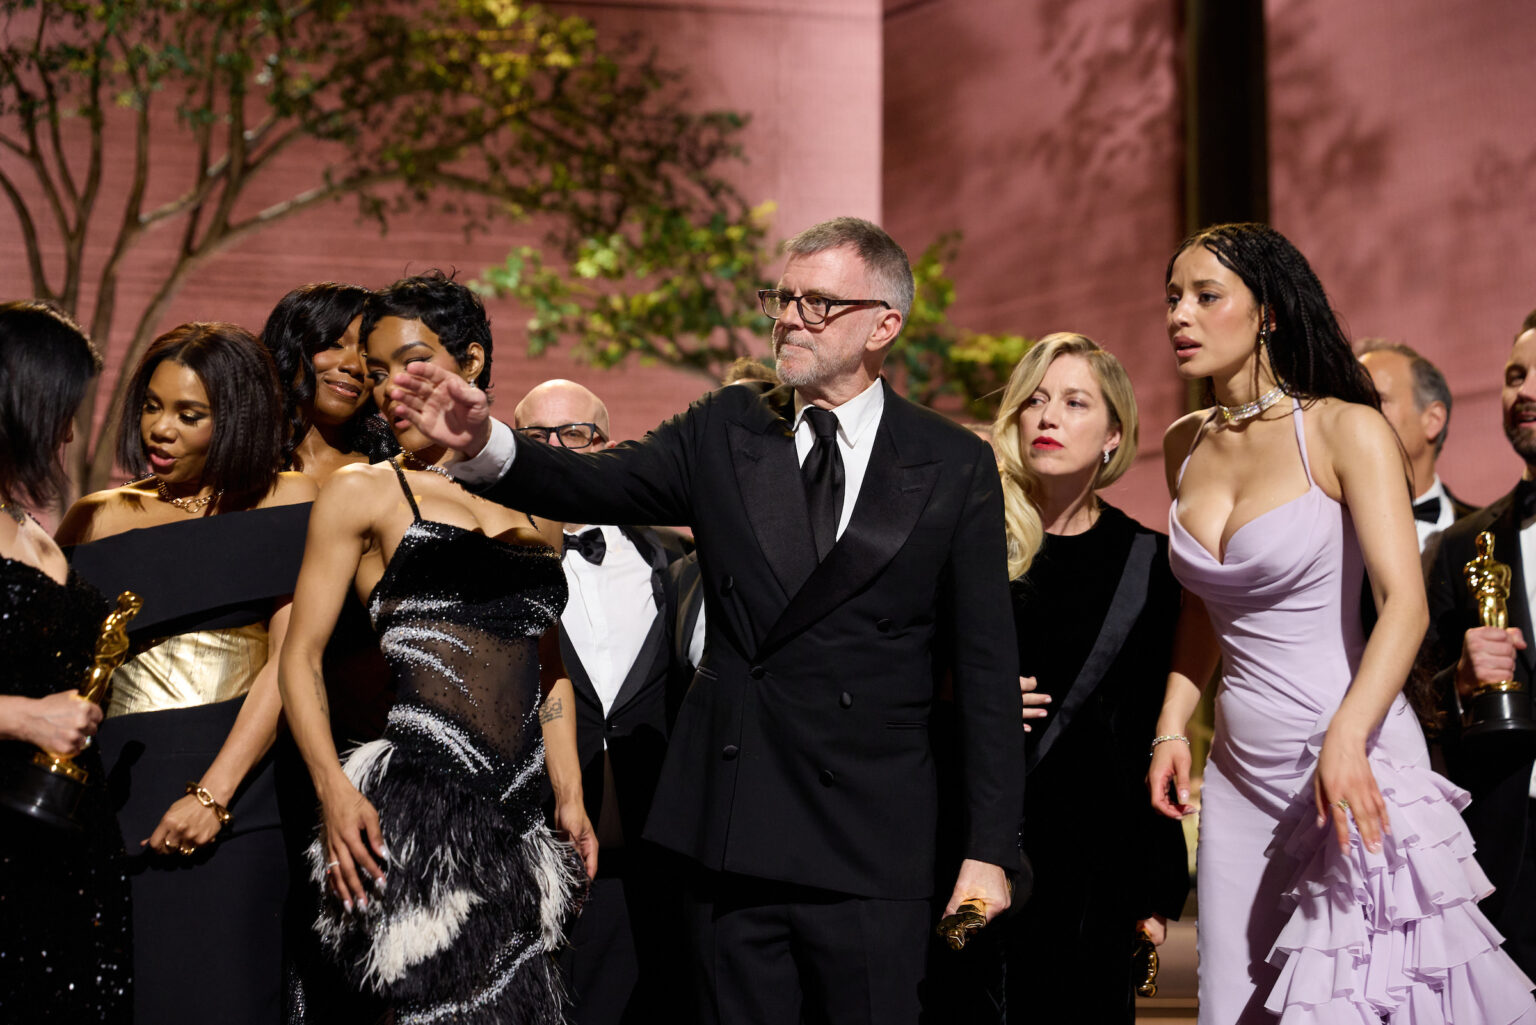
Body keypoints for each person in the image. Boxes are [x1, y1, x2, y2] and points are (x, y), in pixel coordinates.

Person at [385, 217, 1024, 1025]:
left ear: (884, 324)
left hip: (876, 840)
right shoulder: (728, 428)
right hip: (732, 834)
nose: (788, 317)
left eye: (817, 303)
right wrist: (486, 444)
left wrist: (990, 849)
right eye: (781, 298)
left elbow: (989, 674)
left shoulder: (951, 461)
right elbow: (594, 483)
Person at [1148, 222, 1536, 1023]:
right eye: (1173, 298)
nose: (1179, 316)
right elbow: (1204, 604)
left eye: (1204, 296)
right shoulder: (1183, 442)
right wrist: (1170, 725)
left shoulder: (1343, 428)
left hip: (1350, 754)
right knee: (1237, 1002)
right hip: (1239, 776)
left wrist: (1348, 735)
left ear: (1267, 313)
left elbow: (1407, 603)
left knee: (1360, 1003)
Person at [277, 271, 594, 1025]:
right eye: (377, 371)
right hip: (416, 820)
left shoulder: (536, 505)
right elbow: (298, 656)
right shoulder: (364, 491)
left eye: (410, 363)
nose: (389, 388)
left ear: (473, 361)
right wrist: (333, 789)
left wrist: (572, 793)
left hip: (523, 821)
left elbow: (547, 668)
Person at [55, 322, 316, 1024]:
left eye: (188, 414)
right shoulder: (94, 519)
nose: (159, 429)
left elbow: (291, 664)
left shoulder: (294, 503)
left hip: (239, 805)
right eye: (150, 405)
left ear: (237, 416)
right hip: (105, 808)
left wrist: (214, 794)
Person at [991, 333, 1188, 1022]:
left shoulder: (1150, 563)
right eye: (1035, 400)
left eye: (1075, 403)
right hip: (975, 848)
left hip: (1094, 871)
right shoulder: (974, 540)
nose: (1047, 417)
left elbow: (1145, 725)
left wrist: (1155, 887)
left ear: (1113, 434)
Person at [512, 378, 693, 1024]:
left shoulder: (669, 556)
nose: (556, 447)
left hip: (662, 846)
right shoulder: (497, 557)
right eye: (537, 436)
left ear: (606, 444)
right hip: (541, 847)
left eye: (576, 434)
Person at [0, 300, 131, 1024]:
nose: (73, 430)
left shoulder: (27, 522)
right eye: (64, 407)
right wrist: (22, 716)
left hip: (69, 854)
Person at [1423, 309, 1536, 978]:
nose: (1523, 391)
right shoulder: (1467, 544)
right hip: (1512, 854)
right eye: (1514, 375)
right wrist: (1458, 686)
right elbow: (1418, 699)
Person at [261, 281, 397, 485]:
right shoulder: (229, 460)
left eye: (370, 354)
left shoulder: (393, 470)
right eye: (335, 344)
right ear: (289, 347)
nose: (355, 366)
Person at [1358, 339, 1473, 551]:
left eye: (1375, 400)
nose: (1355, 415)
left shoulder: (1488, 533)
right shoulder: (1328, 535)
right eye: (1351, 402)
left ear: (1432, 420)